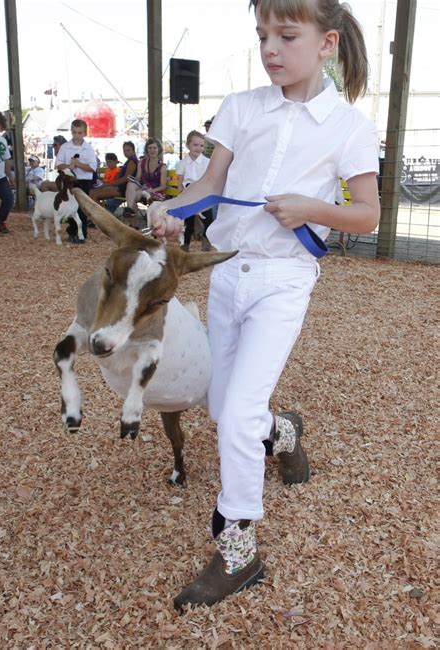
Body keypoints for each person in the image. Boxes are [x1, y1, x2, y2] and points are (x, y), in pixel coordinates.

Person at [148, 0, 380, 610]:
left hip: (284, 281)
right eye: (261, 35)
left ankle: (238, 547)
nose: (270, 48)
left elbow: (368, 214)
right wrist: (171, 213)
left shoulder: (349, 127)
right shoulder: (241, 106)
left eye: (286, 35)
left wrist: (311, 208)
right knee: (226, 412)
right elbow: (210, 187)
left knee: (240, 408)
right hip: (227, 276)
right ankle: (284, 431)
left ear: (327, 43)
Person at [56, 119, 97, 243]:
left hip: (83, 181)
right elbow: (58, 165)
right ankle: (72, 232)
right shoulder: (65, 147)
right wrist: (68, 166)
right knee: (69, 207)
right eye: (74, 132)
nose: (77, 135)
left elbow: (92, 168)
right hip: (69, 181)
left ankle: (81, 234)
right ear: (71, 132)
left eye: (80, 133)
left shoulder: (88, 149)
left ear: (84, 133)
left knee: (81, 208)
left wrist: (78, 164)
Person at [176, 130, 213, 251]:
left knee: (208, 220)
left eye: (201, 145)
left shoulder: (207, 162)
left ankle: (206, 240)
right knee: (189, 221)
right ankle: (186, 243)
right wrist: (181, 195)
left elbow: (209, 179)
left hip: (203, 194)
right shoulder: (182, 163)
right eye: (195, 145)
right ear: (188, 145)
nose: (198, 148)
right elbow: (180, 182)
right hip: (189, 194)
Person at [124, 137, 167, 228]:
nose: (152, 150)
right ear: (147, 149)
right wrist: (133, 182)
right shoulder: (141, 163)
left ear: (159, 150)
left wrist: (151, 190)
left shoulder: (162, 166)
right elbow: (138, 179)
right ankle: (130, 211)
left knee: (131, 196)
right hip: (143, 190)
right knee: (131, 185)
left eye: (154, 148)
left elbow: (163, 186)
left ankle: (131, 217)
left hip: (156, 192)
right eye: (150, 148)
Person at [89, 141, 139, 207]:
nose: (126, 152)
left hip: (123, 189)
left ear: (133, 150)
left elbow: (126, 178)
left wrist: (110, 184)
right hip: (119, 187)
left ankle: (103, 215)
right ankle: (103, 212)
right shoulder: (129, 161)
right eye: (124, 151)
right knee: (91, 193)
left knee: (94, 195)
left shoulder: (132, 161)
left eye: (128, 150)